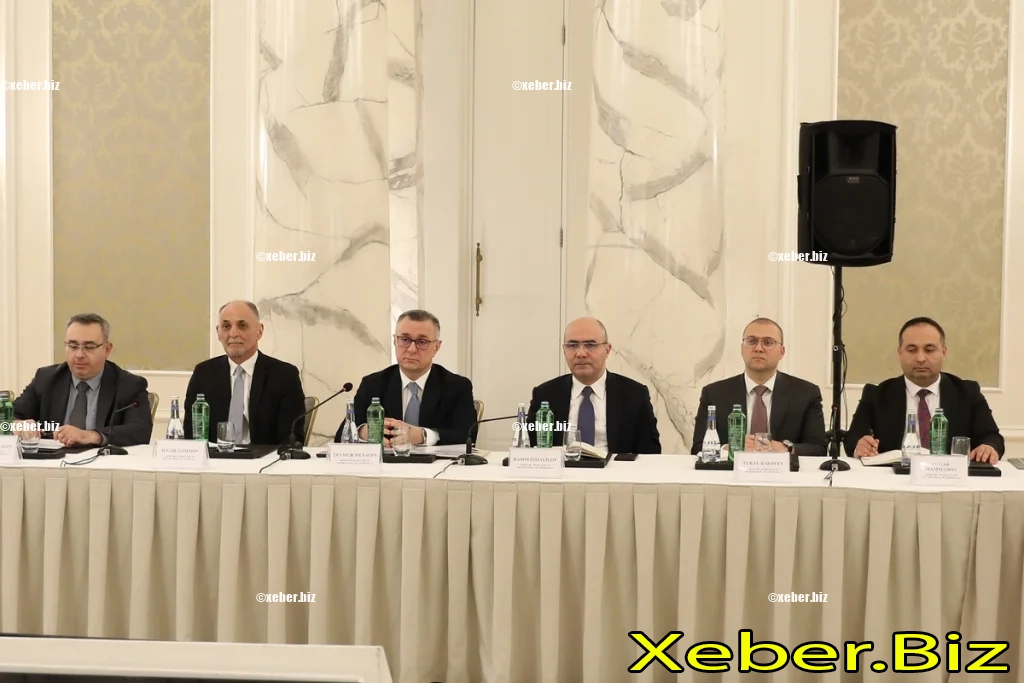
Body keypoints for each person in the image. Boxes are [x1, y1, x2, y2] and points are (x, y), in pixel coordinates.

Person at [845, 317, 1003, 463]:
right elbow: (853, 437)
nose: (920, 358)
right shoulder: (877, 395)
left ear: (944, 352)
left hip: (950, 477)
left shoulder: (967, 393)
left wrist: (988, 447)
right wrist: (860, 445)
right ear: (899, 353)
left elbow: (992, 437)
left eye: (929, 350)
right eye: (912, 350)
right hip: (894, 477)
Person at [335, 309, 476, 446]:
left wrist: (422, 435)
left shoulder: (457, 386)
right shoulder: (373, 384)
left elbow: (467, 435)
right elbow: (341, 435)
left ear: (436, 347)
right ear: (395, 341)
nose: (411, 349)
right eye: (405, 339)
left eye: (422, 342)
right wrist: (363, 433)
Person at [691, 318, 827, 456]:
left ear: (782, 352)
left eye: (768, 342)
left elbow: (819, 449)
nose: (758, 348)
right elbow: (698, 448)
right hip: (731, 469)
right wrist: (731, 448)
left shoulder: (806, 393)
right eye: (751, 341)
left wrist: (785, 448)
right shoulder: (714, 394)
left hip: (784, 469)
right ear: (742, 349)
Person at [12, 313, 152, 447]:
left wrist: (90, 436)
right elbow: (7, 419)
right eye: (73, 346)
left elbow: (141, 430)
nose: (79, 354)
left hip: (103, 460)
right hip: (53, 459)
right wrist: (17, 424)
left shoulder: (129, 385)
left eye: (89, 347)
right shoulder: (46, 378)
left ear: (107, 350)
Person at [527, 316, 661, 454]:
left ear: (607, 350)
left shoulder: (635, 395)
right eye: (572, 345)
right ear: (564, 350)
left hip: (614, 467)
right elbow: (530, 449)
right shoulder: (545, 395)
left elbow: (650, 453)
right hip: (562, 466)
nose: (581, 353)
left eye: (590, 345)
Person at [184, 301, 306, 446]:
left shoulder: (284, 376)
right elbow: (191, 434)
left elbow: (291, 438)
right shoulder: (203, 373)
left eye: (242, 326)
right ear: (218, 332)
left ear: (259, 331)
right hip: (215, 458)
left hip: (265, 459)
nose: (233, 334)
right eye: (226, 326)